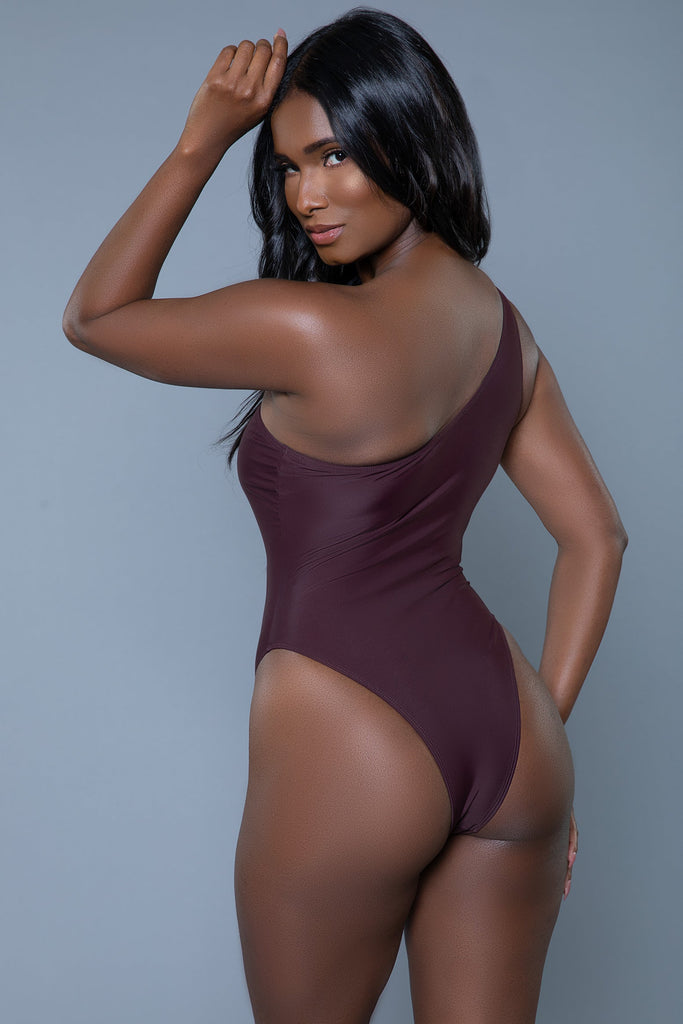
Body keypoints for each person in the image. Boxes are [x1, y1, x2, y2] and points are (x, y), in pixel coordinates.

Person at [63, 8, 627, 1022]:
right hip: (514, 743)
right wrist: (542, 730)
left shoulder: (309, 327)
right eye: (285, 167)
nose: (305, 196)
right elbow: (596, 536)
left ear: (406, 135)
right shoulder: (503, 329)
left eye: (333, 156)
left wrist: (200, 144)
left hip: (353, 733)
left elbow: (96, 317)